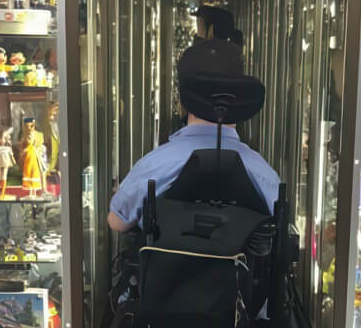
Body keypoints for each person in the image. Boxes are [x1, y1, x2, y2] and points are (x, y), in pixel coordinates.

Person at [107, 39, 279, 231]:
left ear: (182, 101)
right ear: (239, 100)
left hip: (167, 261)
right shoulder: (264, 174)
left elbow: (118, 222)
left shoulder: (155, 165)